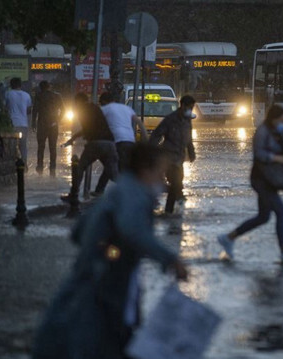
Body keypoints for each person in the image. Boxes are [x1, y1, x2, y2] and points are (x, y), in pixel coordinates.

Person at [32, 142, 189, 359]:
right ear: (145, 170)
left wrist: (108, 248)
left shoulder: (118, 191)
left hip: (89, 289)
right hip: (108, 293)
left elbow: (78, 231)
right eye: (160, 174)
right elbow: (132, 230)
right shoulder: (136, 195)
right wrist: (170, 260)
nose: (163, 182)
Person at [217, 105, 283, 264]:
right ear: (274, 118)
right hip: (261, 179)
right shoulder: (262, 132)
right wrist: (274, 158)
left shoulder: (277, 132)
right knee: (281, 211)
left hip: (270, 179)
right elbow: (259, 154)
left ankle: (228, 238)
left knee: (263, 217)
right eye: (282, 119)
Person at [61, 93, 118, 204]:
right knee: (113, 173)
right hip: (110, 143)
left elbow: (87, 128)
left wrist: (77, 139)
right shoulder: (96, 108)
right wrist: (72, 139)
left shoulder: (83, 110)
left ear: (78, 102)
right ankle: (134, 193)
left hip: (95, 143)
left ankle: (74, 194)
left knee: (80, 167)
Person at [92, 92, 148, 196]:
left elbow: (94, 124)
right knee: (113, 165)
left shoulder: (105, 109)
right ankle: (99, 190)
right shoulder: (126, 108)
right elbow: (139, 123)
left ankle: (131, 190)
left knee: (117, 167)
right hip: (130, 141)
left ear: (104, 102)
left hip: (117, 141)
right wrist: (145, 139)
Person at [149, 95, 197, 214]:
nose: (190, 110)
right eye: (189, 107)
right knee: (175, 181)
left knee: (177, 182)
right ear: (183, 106)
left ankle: (170, 209)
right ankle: (169, 206)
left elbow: (188, 138)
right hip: (168, 158)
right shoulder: (170, 119)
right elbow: (157, 134)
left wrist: (191, 152)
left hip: (179, 158)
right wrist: (151, 151)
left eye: (192, 108)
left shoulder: (187, 120)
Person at [32, 81, 64, 175]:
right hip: (53, 124)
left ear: (40, 87)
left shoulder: (39, 96)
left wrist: (33, 123)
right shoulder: (57, 96)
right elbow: (63, 110)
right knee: (52, 147)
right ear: (49, 86)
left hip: (42, 124)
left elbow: (35, 110)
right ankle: (52, 167)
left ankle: (40, 166)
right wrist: (57, 120)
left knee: (41, 147)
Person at [5, 77, 32, 166]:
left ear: (11, 85)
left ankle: (13, 164)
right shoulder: (27, 95)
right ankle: (24, 165)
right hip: (23, 124)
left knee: (12, 145)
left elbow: (4, 107)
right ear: (20, 85)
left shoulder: (8, 94)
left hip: (12, 124)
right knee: (23, 145)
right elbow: (29, 110)